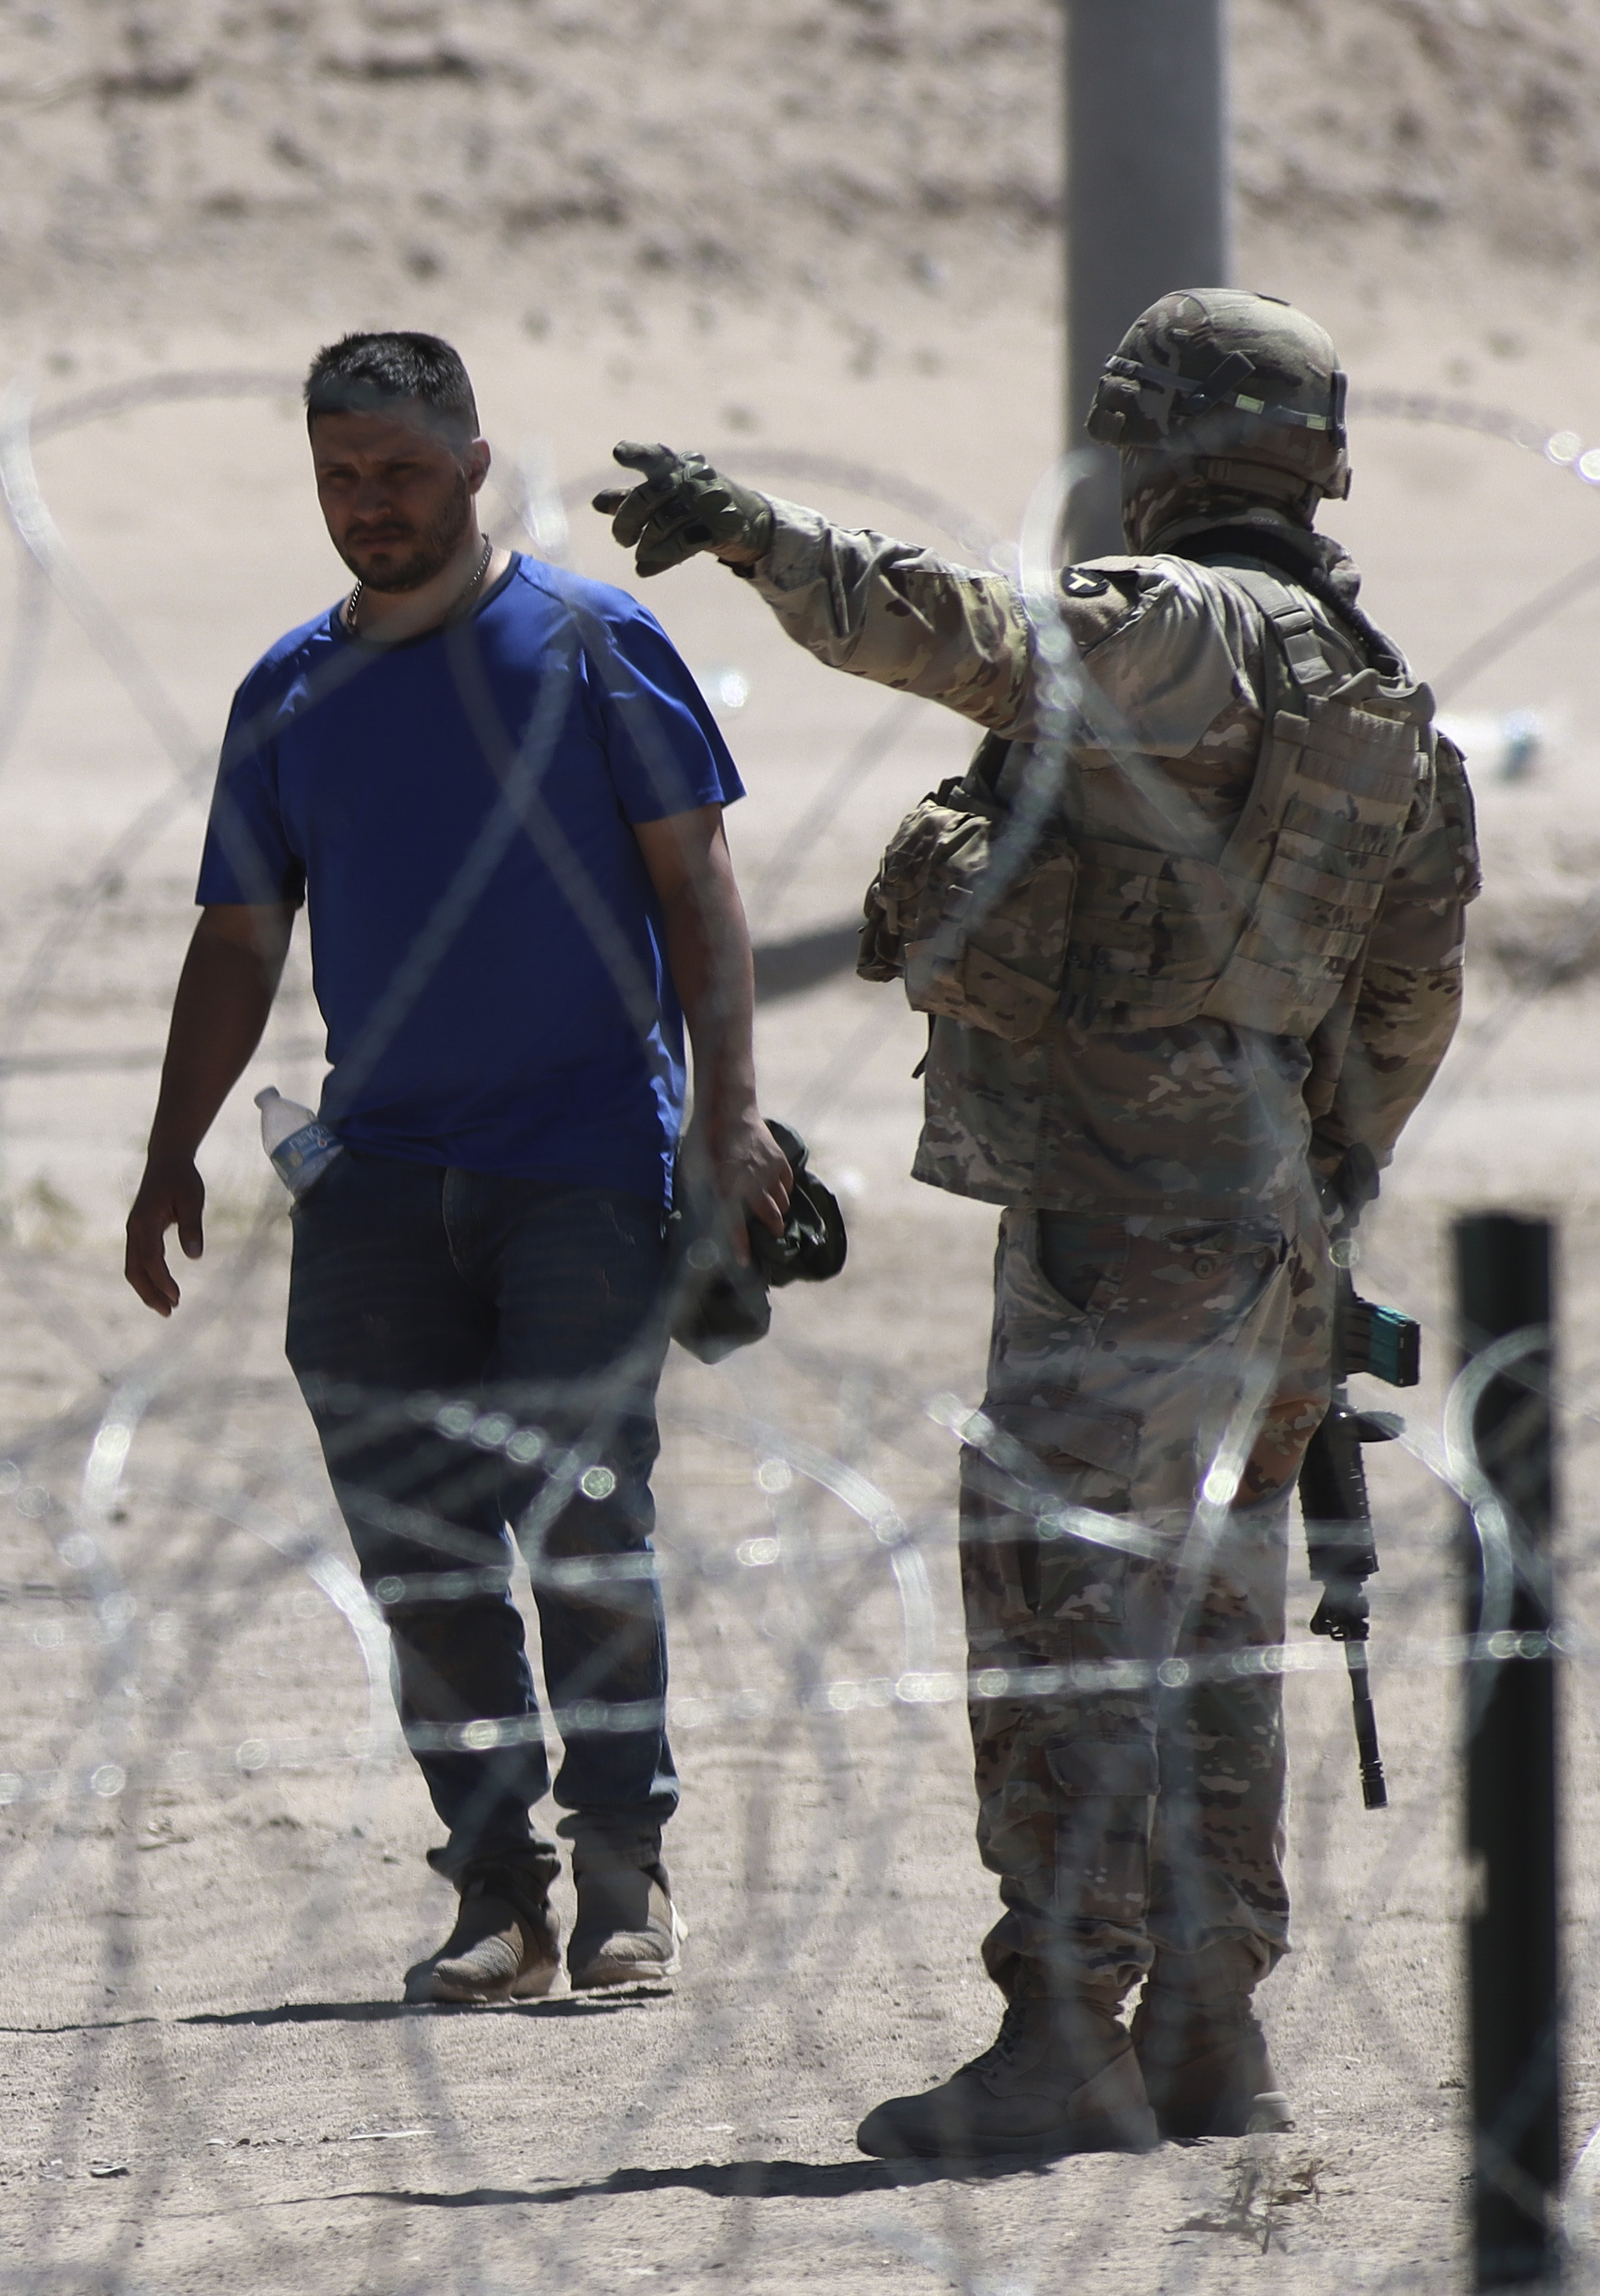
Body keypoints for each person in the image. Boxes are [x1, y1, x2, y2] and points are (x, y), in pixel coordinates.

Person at [597, 286, 1477, 2162]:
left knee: (1065, 1607)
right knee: (1217, 1627)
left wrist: (756, 536)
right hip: (1265, 1240)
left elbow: (980, 640)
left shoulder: (1178, 628)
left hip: (1118, 1222)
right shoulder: (1376, 694)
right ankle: (1215, 2033)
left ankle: (1068, 2030)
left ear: (1149, 443)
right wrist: (1326, 1182)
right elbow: (1413, 997)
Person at [125, 330, 788, 2009]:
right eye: (342, 478)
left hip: (579, 1163)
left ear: (474, 463)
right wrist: (167, 1151)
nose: (371, 507)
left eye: (402, 474)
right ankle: (498, 1887)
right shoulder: (289, 690)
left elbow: (700, 890)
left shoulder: (589, 642)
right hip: (379, 1182)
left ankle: (629, 1872)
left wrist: (729, 1116)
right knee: (420, 1553)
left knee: (583, 1520)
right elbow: (238, 938)